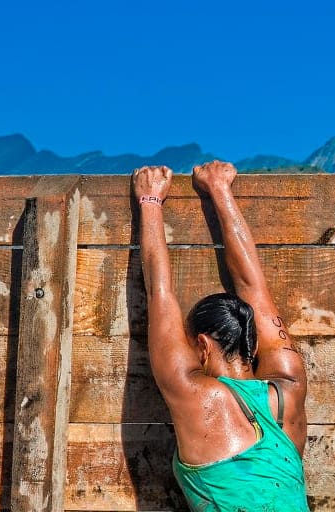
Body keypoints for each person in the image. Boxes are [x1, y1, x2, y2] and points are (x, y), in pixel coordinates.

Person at [133, 162, 310, 511]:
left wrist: (151, 200)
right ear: (254, 343)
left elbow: (160, 293)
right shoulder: (290, 385)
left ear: (201, 344)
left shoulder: (195, 394)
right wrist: (220, 189)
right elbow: (253, 286)